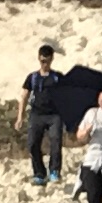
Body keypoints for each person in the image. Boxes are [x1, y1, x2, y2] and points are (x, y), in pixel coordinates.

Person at [17, 41, 72, 192]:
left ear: (52, 59)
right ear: (38, 59)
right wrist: (20, 116)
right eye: (42, 61)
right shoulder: (32, 77)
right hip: (37, 114)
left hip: (55, 115)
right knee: (32, 144)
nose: (45, 64)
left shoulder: (58, 77)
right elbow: (24, 96)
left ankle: (54, 171)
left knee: (55, 142)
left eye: (47, 61)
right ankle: (39, 173)